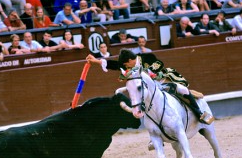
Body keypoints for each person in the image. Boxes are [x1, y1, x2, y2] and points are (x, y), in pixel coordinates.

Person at [86, 49, 214, 125]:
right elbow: (113, 64)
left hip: (163, 80)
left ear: (131, 60)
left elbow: (160, 63)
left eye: (126, 65)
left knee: (183, 90)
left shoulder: (147, 57)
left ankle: (199, 113)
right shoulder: (127, 64)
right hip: (149, 87)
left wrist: (149, 72)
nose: (126, 67)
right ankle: (155, 132)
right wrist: (96, 61)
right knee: (144, 101)